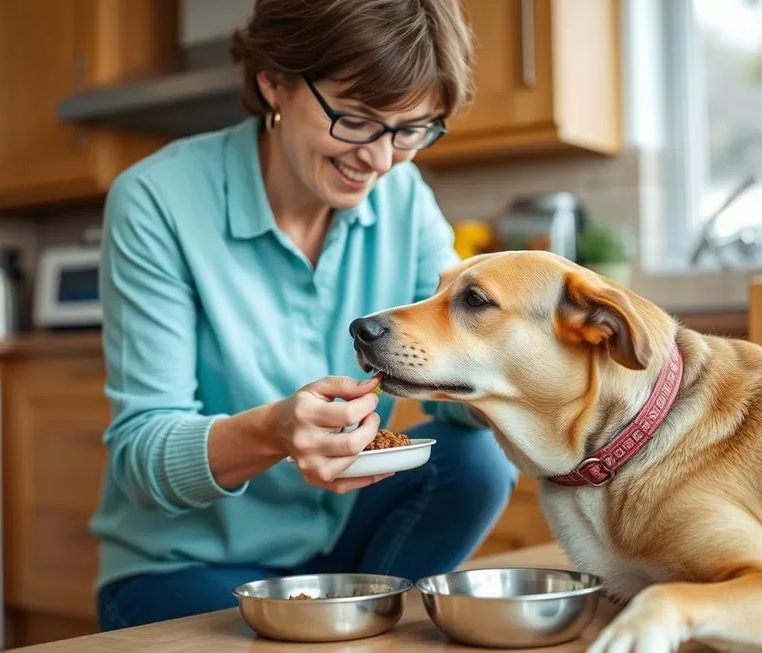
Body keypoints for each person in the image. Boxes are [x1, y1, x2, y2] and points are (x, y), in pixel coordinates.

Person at [92, 0, 519, 631]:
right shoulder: (157, 201)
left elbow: (462, 371)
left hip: (343, 543)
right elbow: (141, 455)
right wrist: (273, 431)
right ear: (274, 81)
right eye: (355, 120)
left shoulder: (403, 197)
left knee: (477, 460)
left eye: (412, 130)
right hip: (186, 565)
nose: (380, 160)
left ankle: (366, 624)